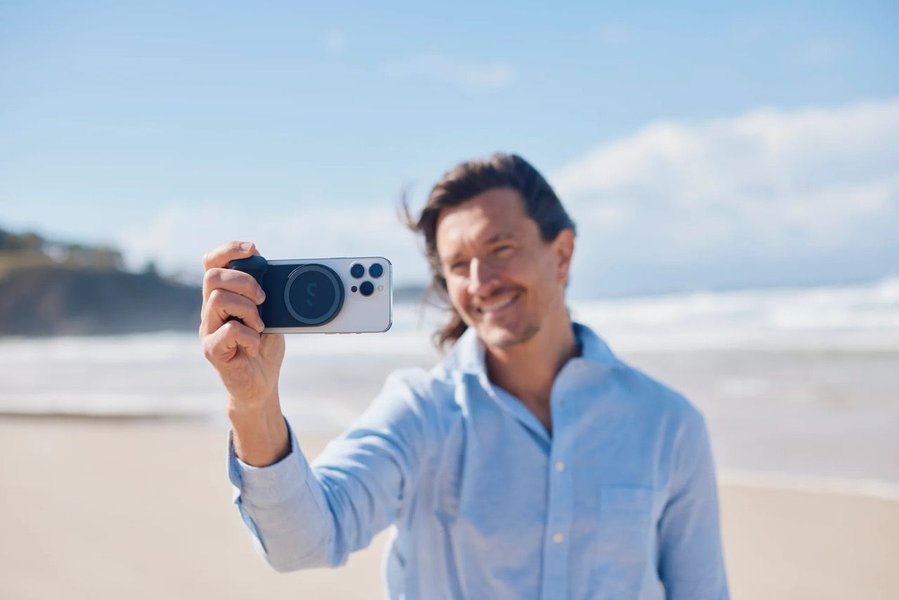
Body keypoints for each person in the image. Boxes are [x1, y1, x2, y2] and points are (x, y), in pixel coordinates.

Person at [199, 153, 730, 599]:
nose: (482, 281)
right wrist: (254, 402)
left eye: (500, 249)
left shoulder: (668, 424)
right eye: (458, 264)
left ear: (562, 253)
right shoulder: (421, 412)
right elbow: (304, 543)